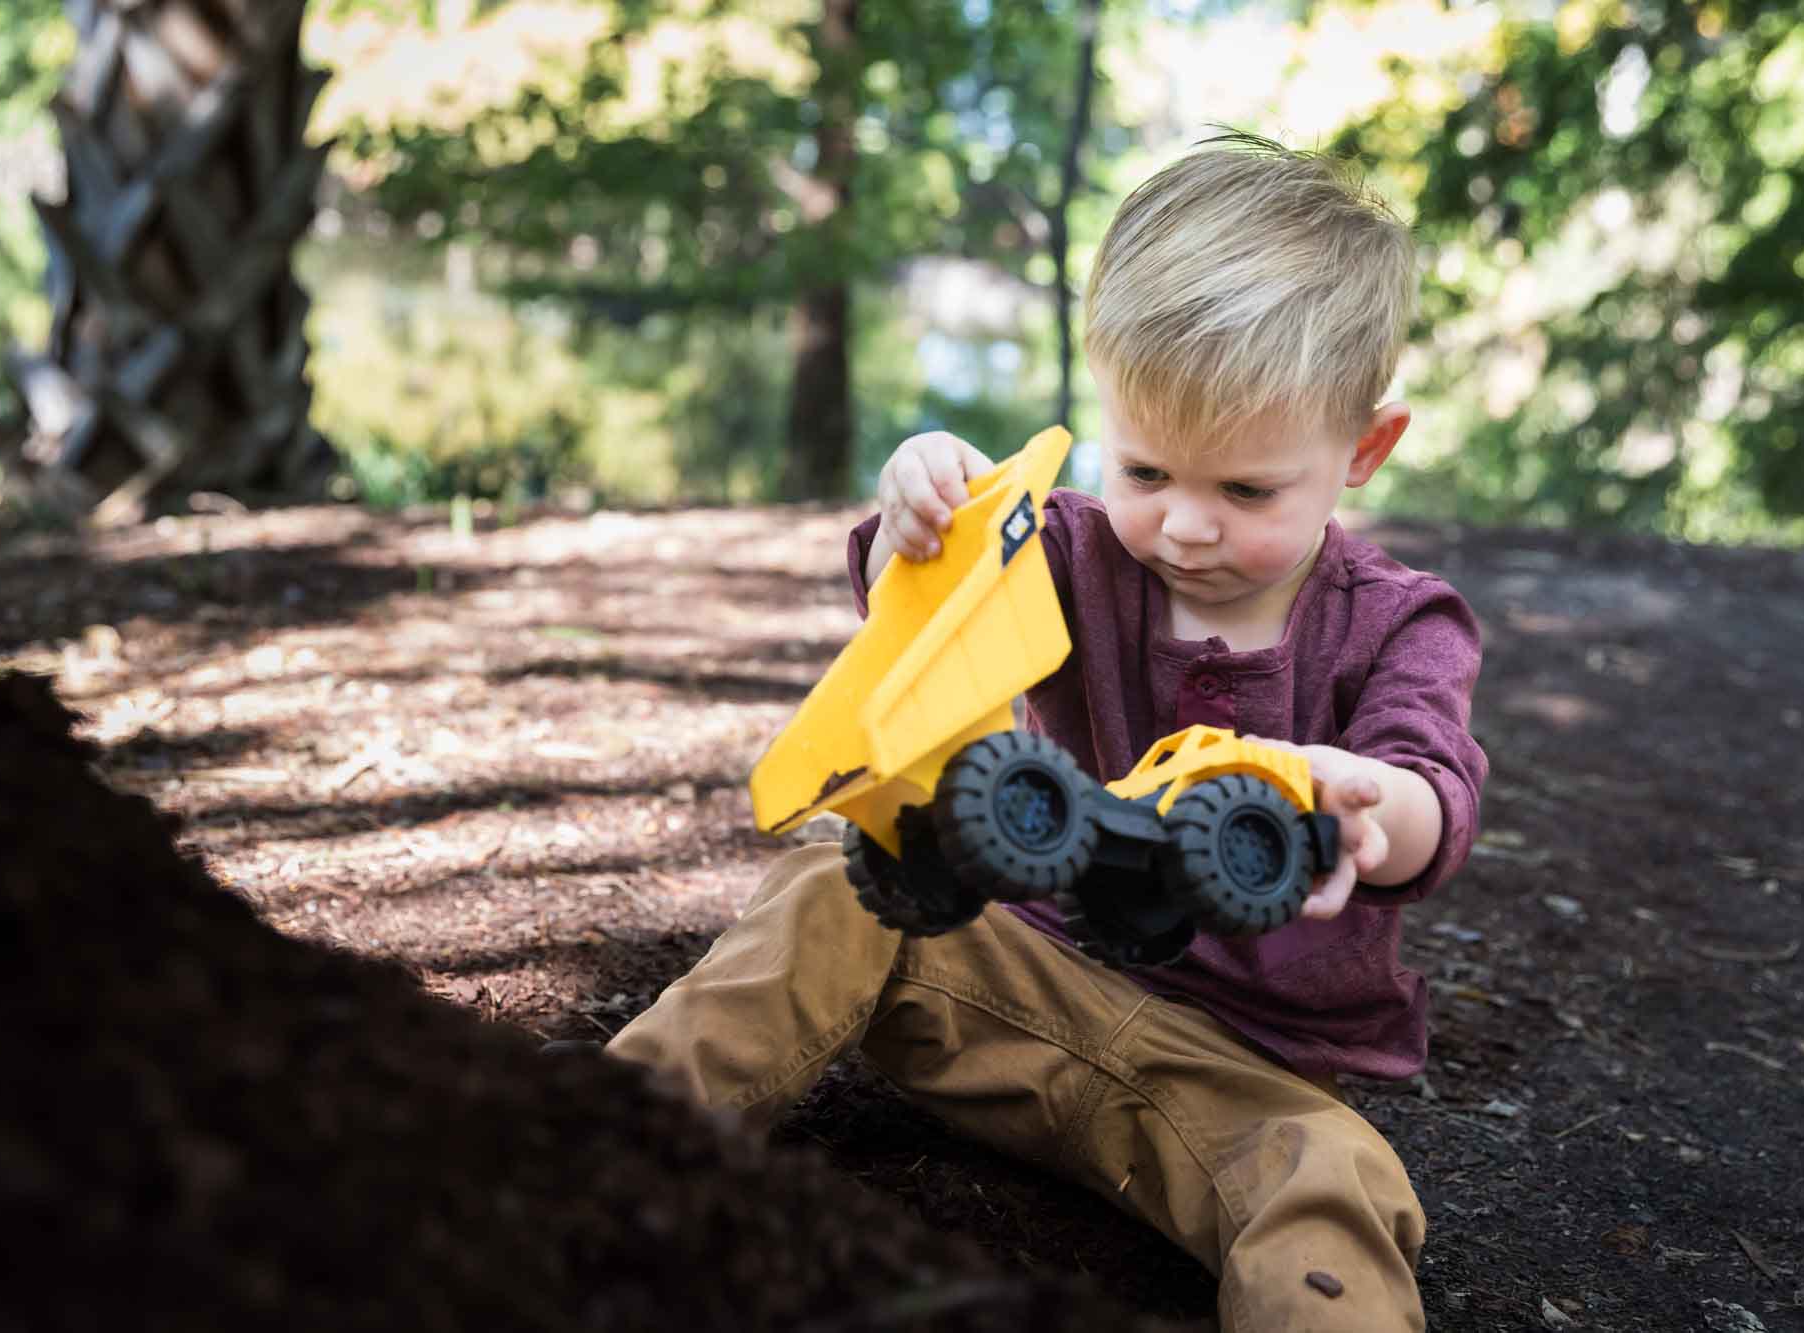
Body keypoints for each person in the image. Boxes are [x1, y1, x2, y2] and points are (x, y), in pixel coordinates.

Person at [601, 132, 1488, 1333]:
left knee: (1336, 1185)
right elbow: (918, 605)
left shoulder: (1400, 626)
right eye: (1145, 467)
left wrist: (1370, 802)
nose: (1181, 525)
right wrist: (918, 512)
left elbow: (1433, 786)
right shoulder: (1069, 546)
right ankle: (598, 1147)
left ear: (1362, 450)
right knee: (835, 880)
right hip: (1005, 985)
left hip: (1238, 1080)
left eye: (1245, 492)